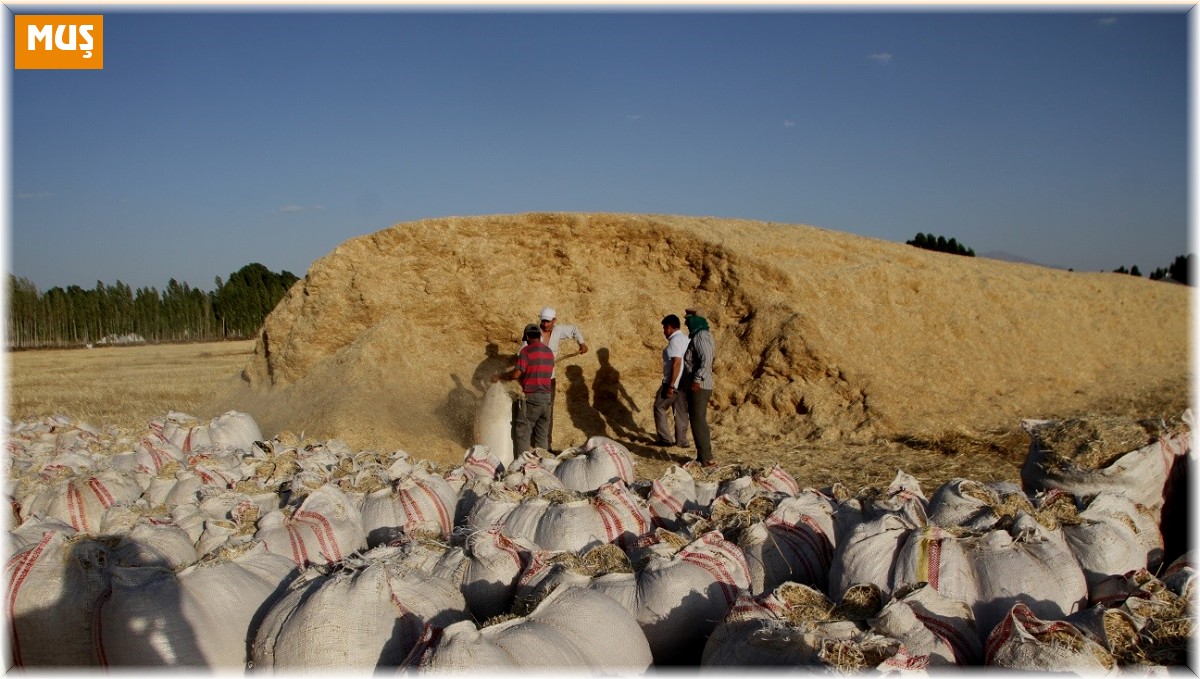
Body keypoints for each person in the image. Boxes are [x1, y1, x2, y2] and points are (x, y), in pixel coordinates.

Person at [529, 307, 588, 451]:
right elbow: (522, 353)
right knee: (532, 410)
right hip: (533, 379)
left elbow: (574, 329)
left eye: (548, 321)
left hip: (549, 379)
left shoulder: (559, 330)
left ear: (554, 320)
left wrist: (581, 343)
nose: (545, 324)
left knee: (548, 411)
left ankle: (545, 446)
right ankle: (530, 443)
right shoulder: (532, 332)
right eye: (543, 321)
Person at [495, 324, 556, 454]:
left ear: (527, 337)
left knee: (522, 434)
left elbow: (515, 375)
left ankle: (520, 468)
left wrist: (501, 376)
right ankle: (543, 466)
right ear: (539, 336)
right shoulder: (549, 352)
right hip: (547, 399)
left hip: (532, 399)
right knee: (541, 437)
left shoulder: (526, 351)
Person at [682, 307, 715, 466]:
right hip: (698, 384)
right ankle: (702, 456)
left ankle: (707, 458)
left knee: (698, 420)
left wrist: (696, 379)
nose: (687, 325)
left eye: (688, 322)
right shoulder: (698, 336)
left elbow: (706, 360)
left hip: (700, 386)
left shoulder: (701, 336)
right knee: (696, 420)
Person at [652, 314, 690, 448]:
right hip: (685, 382)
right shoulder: (686, 339)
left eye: (664, 328)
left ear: (669, 327)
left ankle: (665, 439)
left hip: (673, 382)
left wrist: (670, 385)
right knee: (681, 412)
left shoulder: (675, 341)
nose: (663, 331)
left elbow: (676, 363)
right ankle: (682, 441)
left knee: (659, 407)